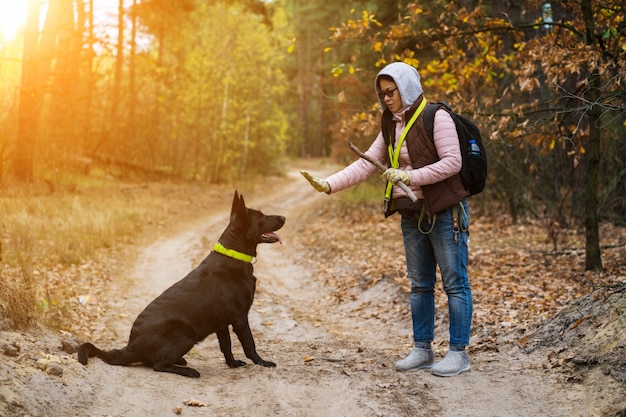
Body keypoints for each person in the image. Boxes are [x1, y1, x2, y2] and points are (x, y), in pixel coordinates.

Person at [300, 62, 472, 377]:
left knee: (455, 283)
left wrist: (409, 174)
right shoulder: (390, 124)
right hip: (412, 213)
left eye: (390, 92)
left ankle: (459, 354)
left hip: (445, 212)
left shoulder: (437, 117)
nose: (386, 99)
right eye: (382, 94)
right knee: (420, 285)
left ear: (406, 86)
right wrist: (329, 185)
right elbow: (366, 163)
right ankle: (422, 350)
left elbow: (453, 162)